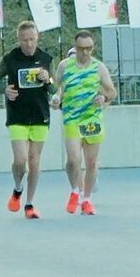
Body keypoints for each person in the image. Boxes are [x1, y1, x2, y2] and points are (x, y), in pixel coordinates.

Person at [0, 19, 55, 218]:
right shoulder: (10, 58)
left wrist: (48, 79)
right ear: (18, 39)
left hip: (40, 115)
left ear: (37, 38)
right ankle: (17, 188)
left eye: (32, 39)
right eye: (24, 40)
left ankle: (29, 204)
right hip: (17, 115)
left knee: (34, 161)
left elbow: (54, 88)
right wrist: (4, 90)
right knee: (20, 160)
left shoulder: (46, 58)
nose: (29, 44)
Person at [52, 32, 117, 214]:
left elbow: (112, 92)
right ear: (75, 47)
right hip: (72, 117)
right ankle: (75, 191)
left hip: (92, 119)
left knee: (91, 162)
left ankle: (87, 199)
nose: (86, 53)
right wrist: (56, 99)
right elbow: (57, 87)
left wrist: (104, 97)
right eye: (82, 49)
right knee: (73, 160)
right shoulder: (65, 66)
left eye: (89, 49)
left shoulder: (99, 67)